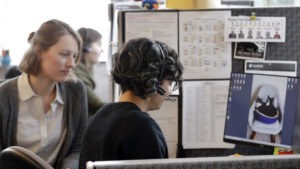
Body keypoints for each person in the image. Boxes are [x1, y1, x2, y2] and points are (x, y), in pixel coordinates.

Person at [79, 37, 183, 168]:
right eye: (169, 83)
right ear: (155, 82)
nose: (169, 91)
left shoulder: (100, 116)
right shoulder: (143, 127)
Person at [0, 19, 88, 169]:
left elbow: (76, 147)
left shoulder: (76, 90)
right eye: (64, 54)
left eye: (74, 56)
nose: (71, 64)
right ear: (39, 51)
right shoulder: (4, 95)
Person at [74, 27, 105, 117]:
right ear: (86, 47)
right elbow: (97, 105)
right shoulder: (77, 74)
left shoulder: (84, 71)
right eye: (99, 44)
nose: (101, 50)